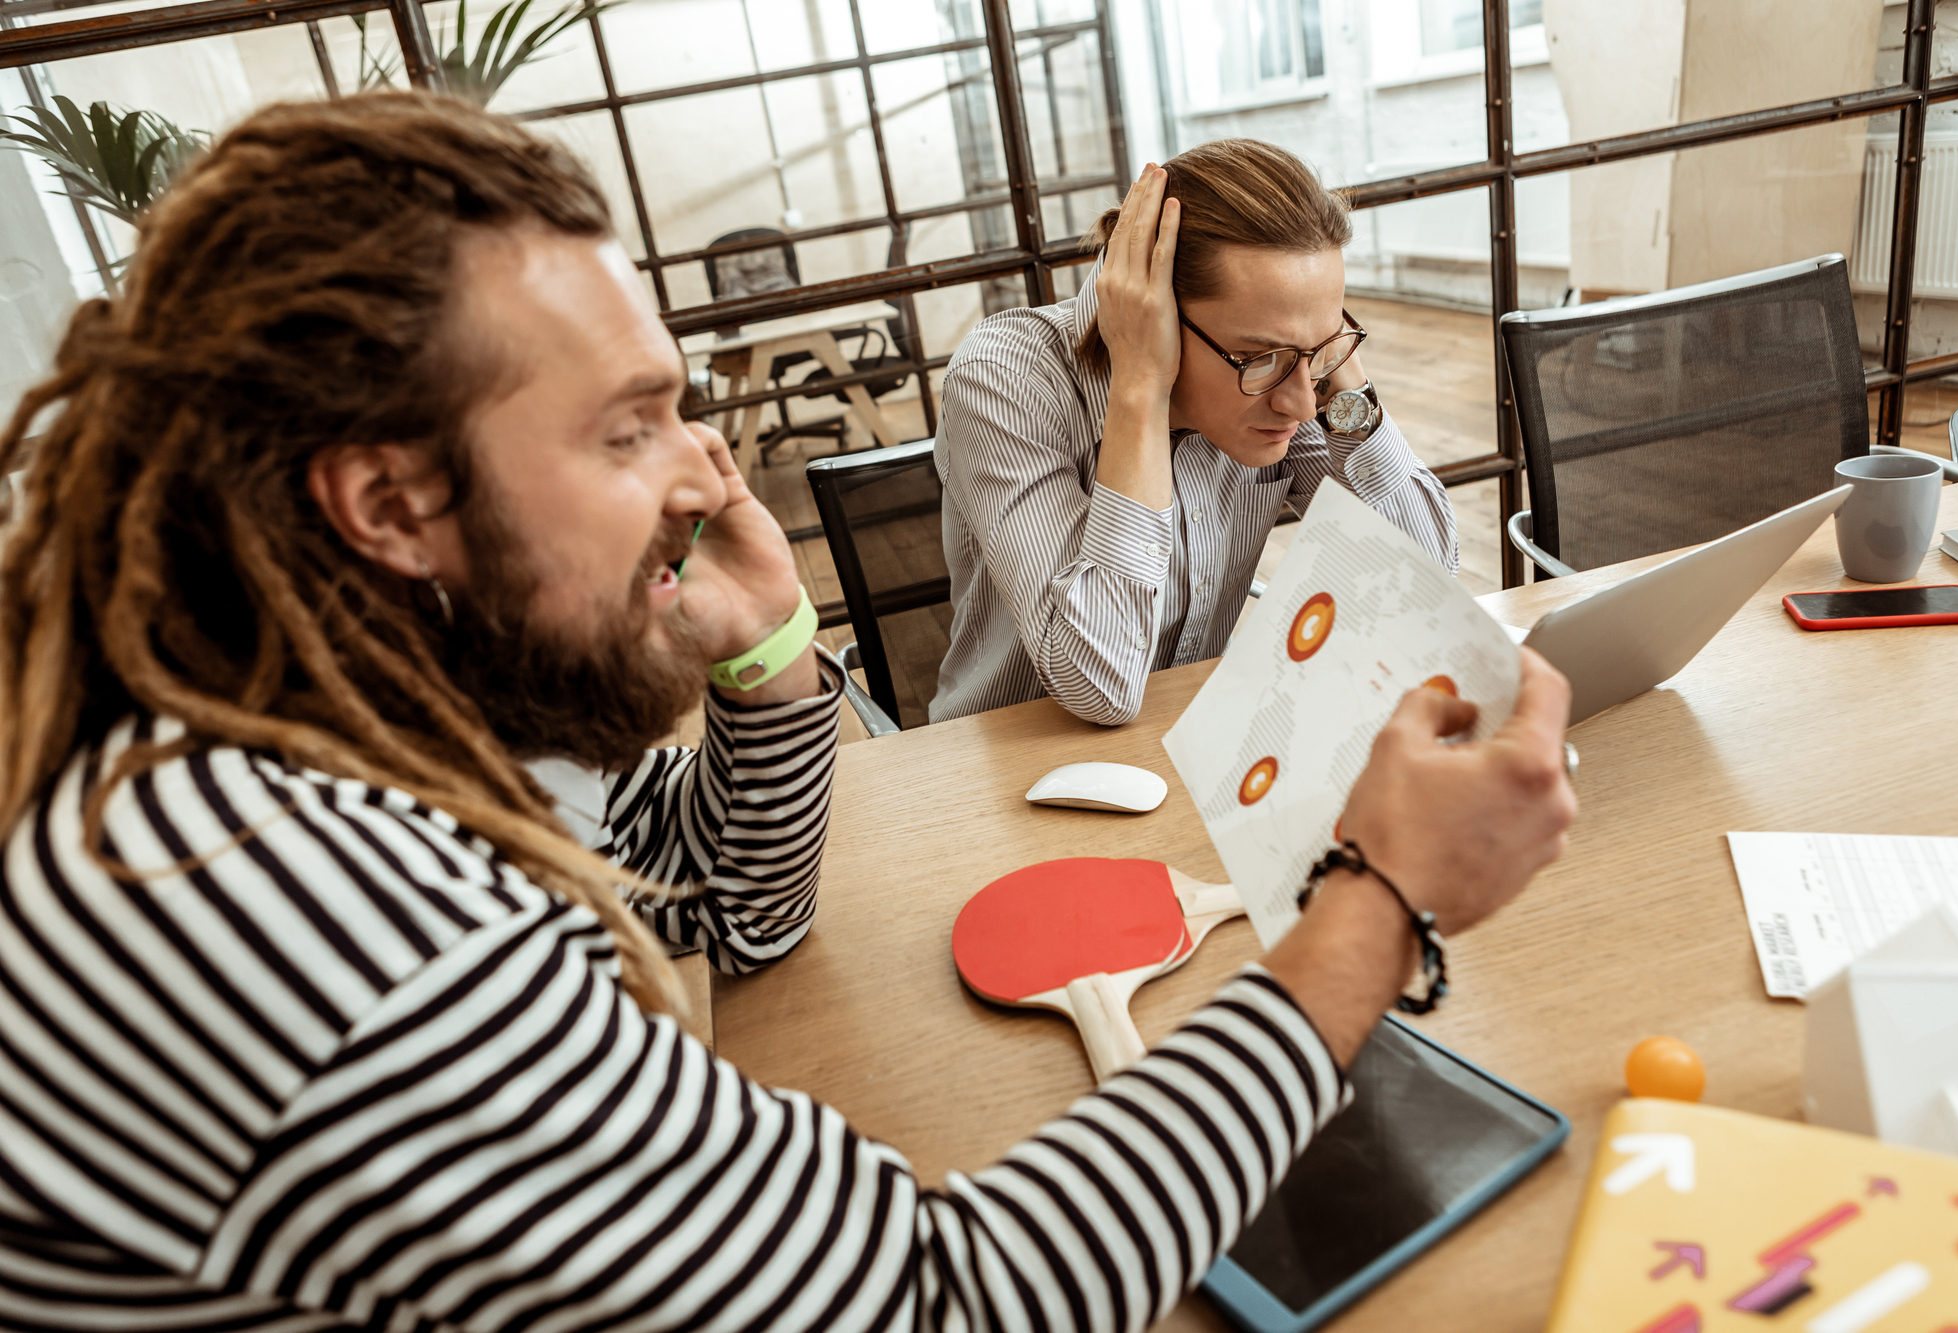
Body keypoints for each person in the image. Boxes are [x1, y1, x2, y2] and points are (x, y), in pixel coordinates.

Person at [0, 94, 1576, 1333]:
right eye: (631, 431)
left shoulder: (360, 715)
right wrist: (1373, 908)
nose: (710, 475)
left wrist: (764, 673)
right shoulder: (280, 902)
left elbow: (729, 914)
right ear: (387, 501)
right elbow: (953, 1293)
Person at [930, 141, 1458, 726]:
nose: (1304, 404)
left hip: (1193, 736)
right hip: (1005, 769)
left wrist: (1332, 353)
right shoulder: (1005, 378)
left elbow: (1427, 580)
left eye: (1316, 354)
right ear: (1151, 313)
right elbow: (1097, 685)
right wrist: (1141, 384)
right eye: (1261, 357)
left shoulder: (1288, 383)